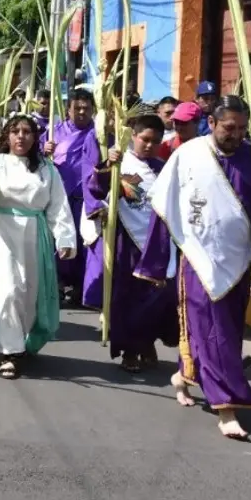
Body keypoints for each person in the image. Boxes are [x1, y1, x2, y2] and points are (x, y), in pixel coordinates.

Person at [134, 95, 251, 439]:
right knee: (213, 332)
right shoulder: (188, 154)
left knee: (225, 333)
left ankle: (184, 375)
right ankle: (226, 406)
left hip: (239, 259)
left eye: (242, 128)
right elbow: (163, 207)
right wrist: (154, 261)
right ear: (211, 123)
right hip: (197, 258)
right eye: (230, 128)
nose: (237, 135)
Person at [0, 114, 76, 379]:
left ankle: (21, 341)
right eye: (15, 131)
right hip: (1, 234)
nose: (21, 136)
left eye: (26, 131)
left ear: (35, 137)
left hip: (35, 237)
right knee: (8, 291)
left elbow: (58, 206)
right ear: (6, 136)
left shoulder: (46, 168)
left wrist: (65, 238)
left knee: (28, 294)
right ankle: (9, 353)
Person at [86, 114, 179, 372]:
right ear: (133, 137)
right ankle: (129, 349)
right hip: (126, 242)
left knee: (158, 297)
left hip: (157, 244)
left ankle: (146, 342)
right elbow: (95, 190)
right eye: (145, 139)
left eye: (156, 141)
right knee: (127, 299)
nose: (149, 145)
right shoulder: (118, 163)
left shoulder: (164, 168)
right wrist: (106, 168)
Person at [41, 88, 99, 305]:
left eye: (86, 108)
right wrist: (44, 149)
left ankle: (80, 288)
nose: (82, 112)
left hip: (87, 201)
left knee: (85, 245)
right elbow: (36, 157)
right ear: (68, 110)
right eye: (77, 108)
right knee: (58, 243)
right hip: (59, 199)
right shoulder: (54, 132)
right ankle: (54, 285)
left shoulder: (99, 134)